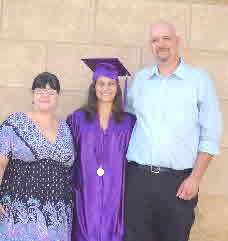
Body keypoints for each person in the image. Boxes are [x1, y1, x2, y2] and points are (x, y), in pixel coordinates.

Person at [124, 22, 222, 241]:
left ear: (177, 41)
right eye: (155, 40)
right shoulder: (140, 81)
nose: (161, 44)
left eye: (166, 38)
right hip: (138, 180)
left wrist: (195, 178)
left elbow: (210, 135)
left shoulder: (199, 80)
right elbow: (126, 123)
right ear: (151, 45)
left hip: (178, 182)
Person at [0, 72, 75, 240]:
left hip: (57, 213)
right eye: (40, 90)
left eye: (51, 92)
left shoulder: (66, 128)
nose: (45, 96)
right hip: (19, 211)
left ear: (58, 96)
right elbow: (1, 161)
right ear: (32, 94)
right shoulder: (15, 123)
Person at [67, 58, 135, 241]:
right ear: (94, 87)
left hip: (116, 191)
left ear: (118, 88)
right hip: (85, 192)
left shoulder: (129, 122)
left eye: (111, 83)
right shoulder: (77, 119)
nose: (106, 88)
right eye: (101, 83)